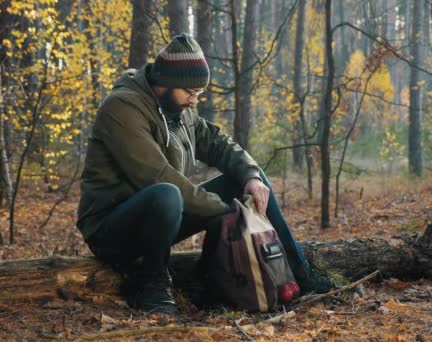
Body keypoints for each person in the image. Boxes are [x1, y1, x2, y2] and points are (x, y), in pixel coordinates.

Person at [77, 33, 333, 314]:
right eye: (191, 92)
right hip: (111, 229)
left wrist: (251, 177)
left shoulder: (178, 108)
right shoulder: (122, 108)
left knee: (247, 178)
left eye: (199, 93)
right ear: (167, 83)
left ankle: (300, 274)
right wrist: (224, 210)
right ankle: (149, 283)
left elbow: (218, 143)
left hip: (163, 216)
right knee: (167, 194)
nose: (194, 100)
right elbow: (156, 175)